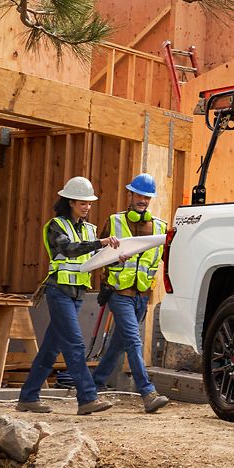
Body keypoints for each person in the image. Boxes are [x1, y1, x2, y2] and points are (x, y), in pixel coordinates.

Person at [17, 177, 119, 415]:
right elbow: (69, 250)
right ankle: (87, 398)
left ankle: (28, 397)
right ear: (70, 202)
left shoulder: (89, 229)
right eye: (82, 202)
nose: (87, 206)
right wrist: (100, 243)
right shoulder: (57, 226)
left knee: (51, 349)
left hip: (77, 294)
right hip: (58, 291)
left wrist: (113, 254)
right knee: (75, 345)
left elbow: (93, 257)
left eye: (89, 203)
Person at [91, 173, 172, 413]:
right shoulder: (114, 221)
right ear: (130, 194)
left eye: (147, 197)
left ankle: (93, 385)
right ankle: (147, 392)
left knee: (119, 343)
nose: (143, 200)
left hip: (142, 295)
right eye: (139, 195)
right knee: (134, 340)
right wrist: (115, 258)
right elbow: (99, 255)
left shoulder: (160, 227)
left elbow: (163, 258)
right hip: (119, 293)